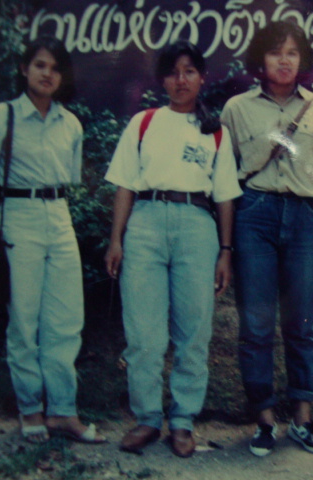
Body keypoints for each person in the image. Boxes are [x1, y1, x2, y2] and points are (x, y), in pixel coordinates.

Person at [104, 40, 242, 458]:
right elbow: (125, 185)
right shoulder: (144, 122)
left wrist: (225, 250)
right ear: (162, 80)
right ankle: (147, 419)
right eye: (173, 72)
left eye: (189, 71)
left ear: (202, 77)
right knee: (143, 333)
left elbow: (225, 196)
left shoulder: (215, 131)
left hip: (196, 225)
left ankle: (183, 421)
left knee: (193, 332)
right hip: (145, 223)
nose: (181, 80)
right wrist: (116, 239)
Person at [0, 36, 105, 444]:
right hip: (17, 215)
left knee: (66, 319)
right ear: (25, 68)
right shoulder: (3, 116)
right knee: (24, 319)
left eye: (55, 68)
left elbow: (70, 181)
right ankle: (30, 409)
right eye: (40, 65)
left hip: (58, 215)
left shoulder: (71, 124)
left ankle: (63, 412)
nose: (48, 73)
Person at [221, 21, 313, 457]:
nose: (284, 60)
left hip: (307, 216)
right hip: (254, 214)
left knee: (302, 322)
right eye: (275, 52)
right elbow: (225, 177)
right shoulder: (236, 108)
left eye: (292, 52)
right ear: (261, 59)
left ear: (303, 59)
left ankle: (303, 419)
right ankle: (264, 421)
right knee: (256, 324)